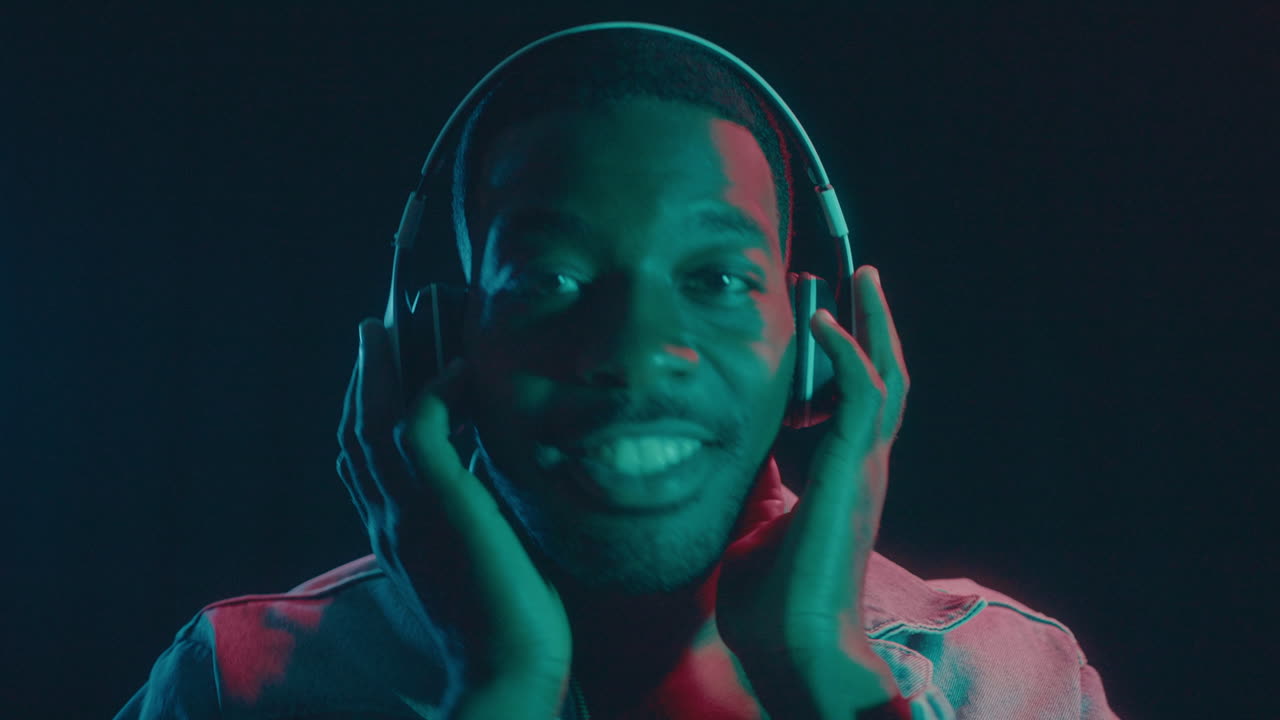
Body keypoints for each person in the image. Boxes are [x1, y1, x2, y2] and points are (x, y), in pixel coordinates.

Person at [116, 27, 1118, 720]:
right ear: (440, 344)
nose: (635, 351)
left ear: (818, 337)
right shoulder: (236, 687)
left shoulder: (1010, 683)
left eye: (717, 277)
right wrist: (500, 685)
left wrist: (825, 669)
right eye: (548, 277)